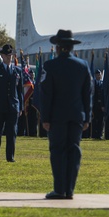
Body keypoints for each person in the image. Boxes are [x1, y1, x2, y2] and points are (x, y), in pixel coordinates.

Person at [38, 30, 92, 200]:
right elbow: (87, 94)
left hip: (57, 117)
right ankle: (69, 190)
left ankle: (59, 189)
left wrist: (45, 118)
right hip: (77, 116)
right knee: (73, 151)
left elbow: (47, 95)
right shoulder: (82, 66)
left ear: (58, 47)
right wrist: (87, 117)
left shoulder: (50, 66)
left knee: (58, 151)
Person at [0, 43, 24, 162]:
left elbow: (20, 91)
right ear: (2, 56)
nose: (10, 58)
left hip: (13, 107)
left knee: (12, 132)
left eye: (11, 55)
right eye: (7, 55)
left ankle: (10, 156)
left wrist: (21, 107)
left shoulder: (17, 71)